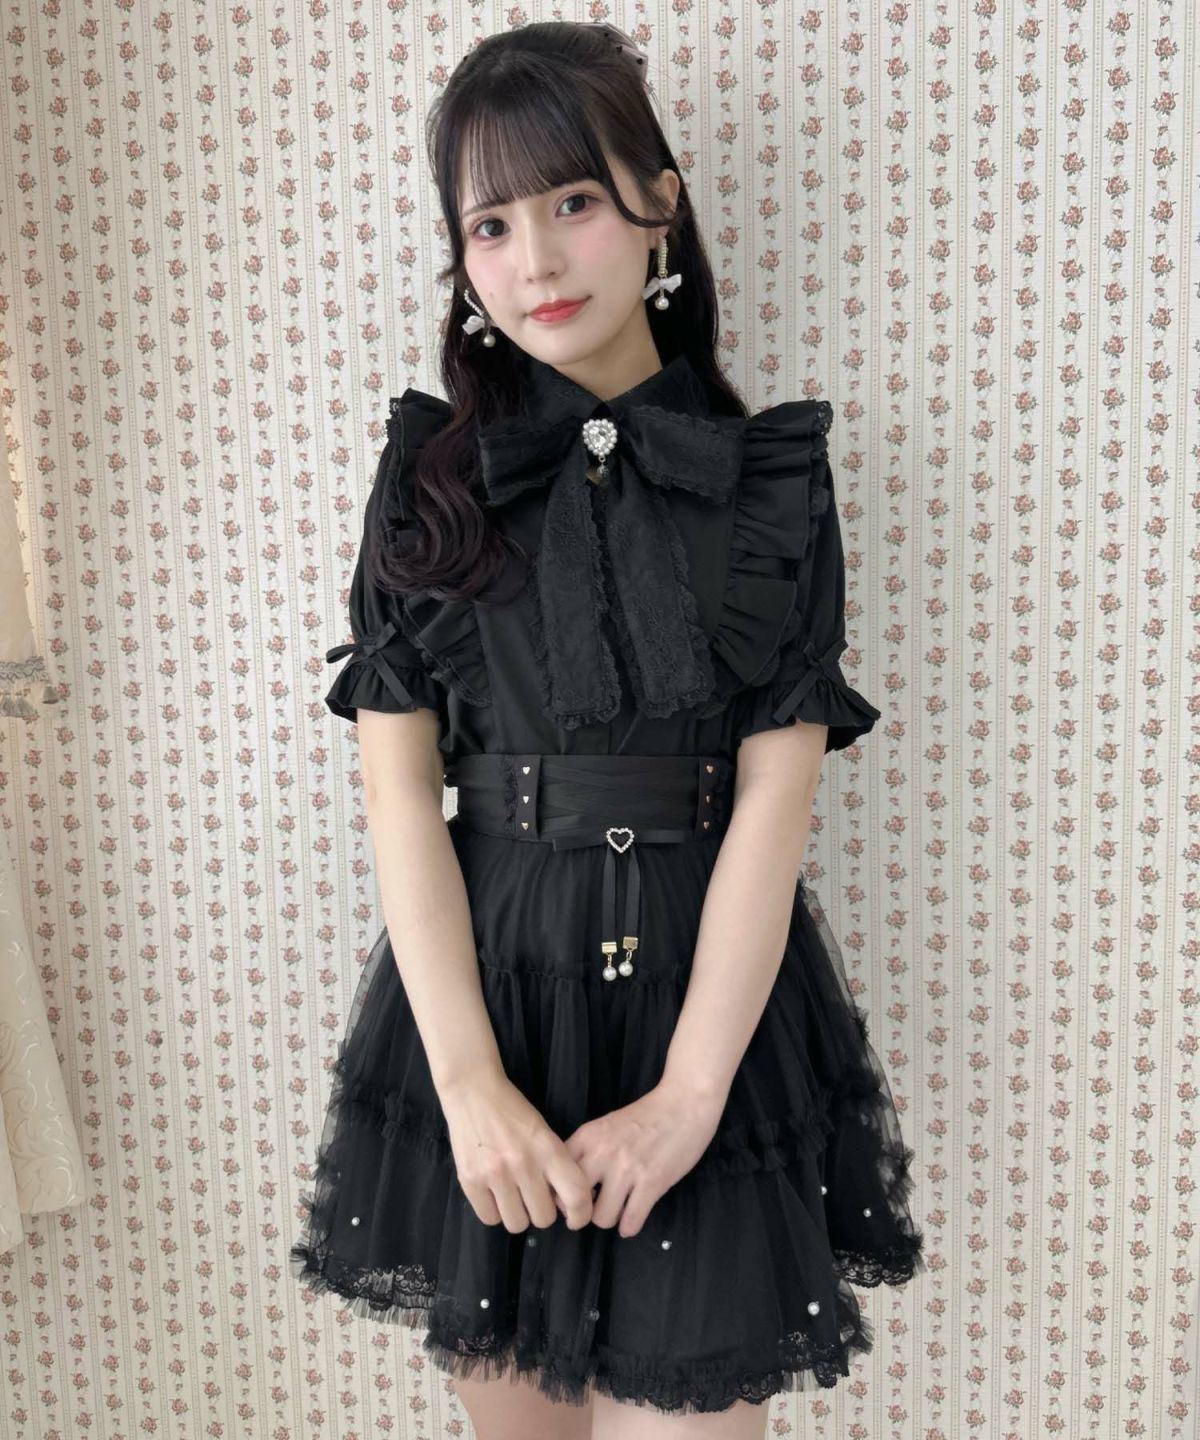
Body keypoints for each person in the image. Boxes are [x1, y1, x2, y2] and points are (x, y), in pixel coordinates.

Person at [290, 19, 924, 1440]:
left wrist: (691, 1095)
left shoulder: (771, 482)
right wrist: (468, 1085)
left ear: (658, 205)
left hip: (710, 1011)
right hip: (487, 1006)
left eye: (573, 200)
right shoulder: (427, 481)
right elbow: (398, 797)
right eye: (491, 225)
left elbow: (776, 801)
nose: (537, 259)